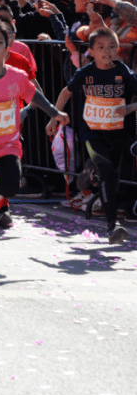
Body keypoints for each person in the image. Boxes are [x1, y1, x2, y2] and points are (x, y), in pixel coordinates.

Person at [0, 21, 67, 264]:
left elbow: (33, 95)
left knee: (11, 187)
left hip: (7, 145)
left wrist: (53, 113)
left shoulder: (17, 77)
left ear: (7, 50)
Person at [47, 27, 137, 244]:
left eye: (112, 47)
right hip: (91, 132)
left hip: (117, 133)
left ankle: (90, 176)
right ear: (92, 52)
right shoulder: (85, 73)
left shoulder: (124, 72)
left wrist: (130, 108)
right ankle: (112, 225)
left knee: (110, 176)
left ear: (118, 49)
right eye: (101, 48)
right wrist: (54, 117)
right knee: (106, 171)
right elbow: (66, 92)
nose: (107, 52)